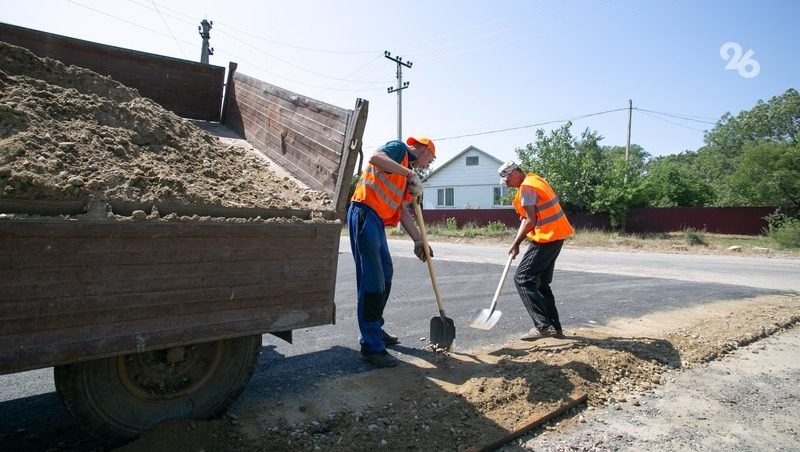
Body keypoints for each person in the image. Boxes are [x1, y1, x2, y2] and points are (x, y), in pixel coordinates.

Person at [348, 136, 436, 367]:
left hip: (376, 221)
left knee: (385, 276)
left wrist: (419, 240)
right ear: (424, 149)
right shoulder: (399, 149)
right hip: (364, 213)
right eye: (431, 158)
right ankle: (370, 346)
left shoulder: (406, 172)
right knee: (372, 283)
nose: (428, 164)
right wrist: (409, 174)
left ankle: (375, 328)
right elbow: (376, 158)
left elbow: (403, 211)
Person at [498, 161, 574, 341]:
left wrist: (517, 243)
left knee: (523, 278)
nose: (506, 183)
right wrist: (515, 243)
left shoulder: (527, 188)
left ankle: (543, 326)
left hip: (546, 238)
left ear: (516, 172)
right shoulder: (535, 181)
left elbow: (531, 220)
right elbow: (526, 219)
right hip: (556, 236)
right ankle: (555, 328)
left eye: (507, 178)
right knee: (540, 283)